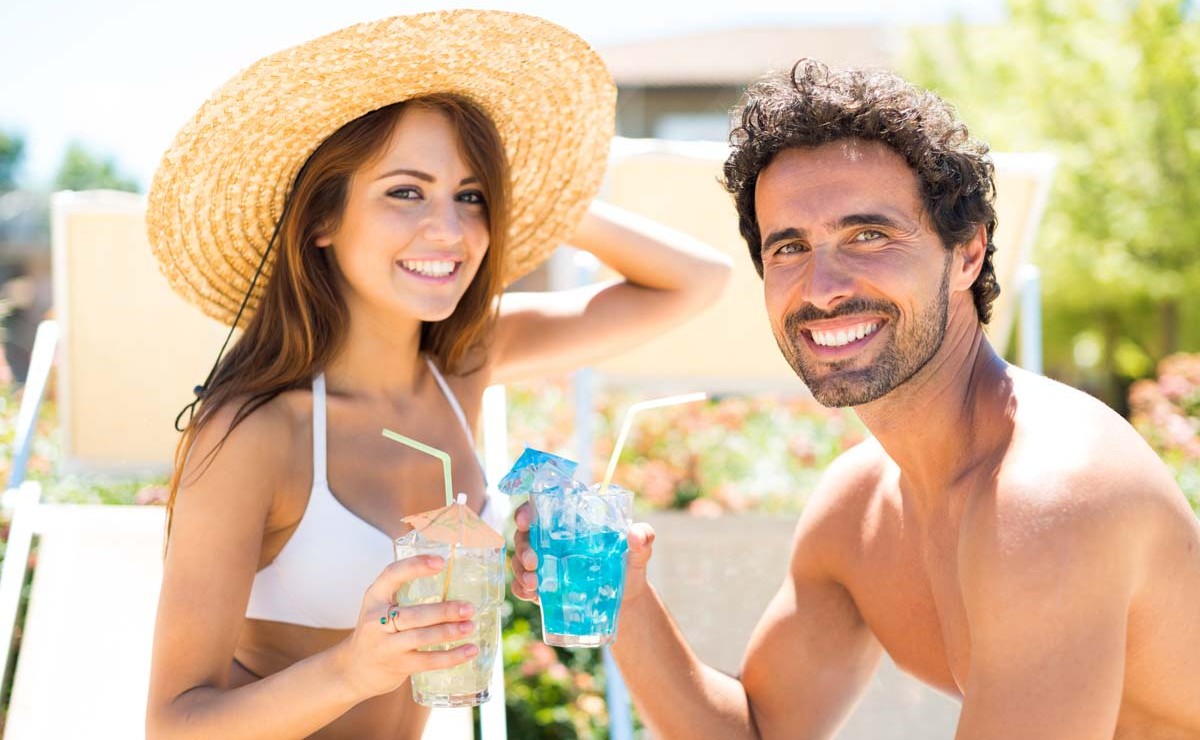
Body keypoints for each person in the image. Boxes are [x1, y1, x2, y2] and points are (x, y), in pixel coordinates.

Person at [512, 59, 1200, 739]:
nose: (822, 286)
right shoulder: (860, 510)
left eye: (866, 235)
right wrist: (626, 597)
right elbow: (757, 733)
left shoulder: (1051, 496)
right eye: (789, 248)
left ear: (966, 255)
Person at [144, 11, 732, 740]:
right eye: (405, 192)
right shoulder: (256, 434)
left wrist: (544, 198)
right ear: (321, 219)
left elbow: (698, 282)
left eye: (471, 195)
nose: (451, 231)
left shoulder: (467, 368)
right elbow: (172, 726)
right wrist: (355, 668)